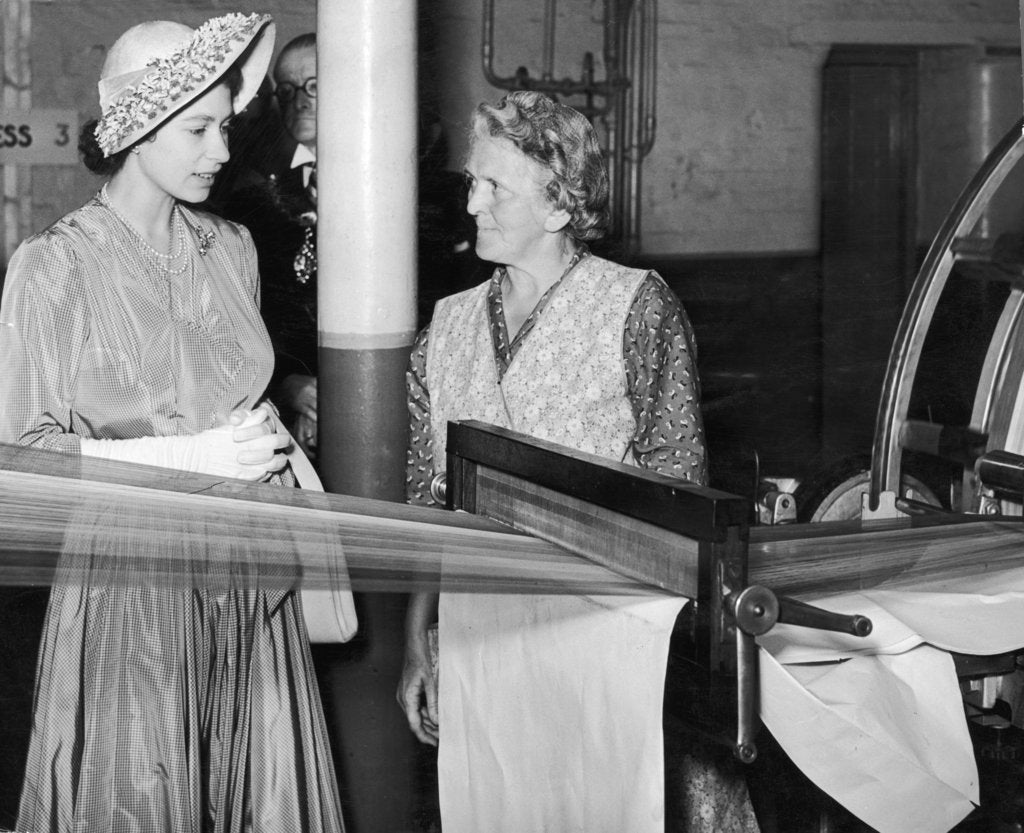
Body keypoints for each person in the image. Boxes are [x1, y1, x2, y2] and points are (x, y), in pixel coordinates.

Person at [0, 14, 347, 831]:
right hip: (133, 584)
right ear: (136, 128)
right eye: (197, 130)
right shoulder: (54, 265)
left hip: (246, 578)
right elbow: (24, 460)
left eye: (225, 127)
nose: (221, 151)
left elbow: (231, 387)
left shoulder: (232, 248)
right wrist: (196, 456)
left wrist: (263, 432)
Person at [397, 91, 759, 831]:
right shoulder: (446, 328)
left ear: (560, 205)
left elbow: (679, 502)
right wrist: (417, 643)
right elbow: (429, 510)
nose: (471, 204)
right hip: (481, 645)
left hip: (604, 647)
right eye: (472, 181)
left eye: (495, 186)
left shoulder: (635, 308)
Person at [217, 33, 320, 459]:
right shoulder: (257, 203)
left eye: (314, 85)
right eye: (288, 91)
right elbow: (249, 319)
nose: (300, 101)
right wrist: (288, 385)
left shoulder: (408, 194)